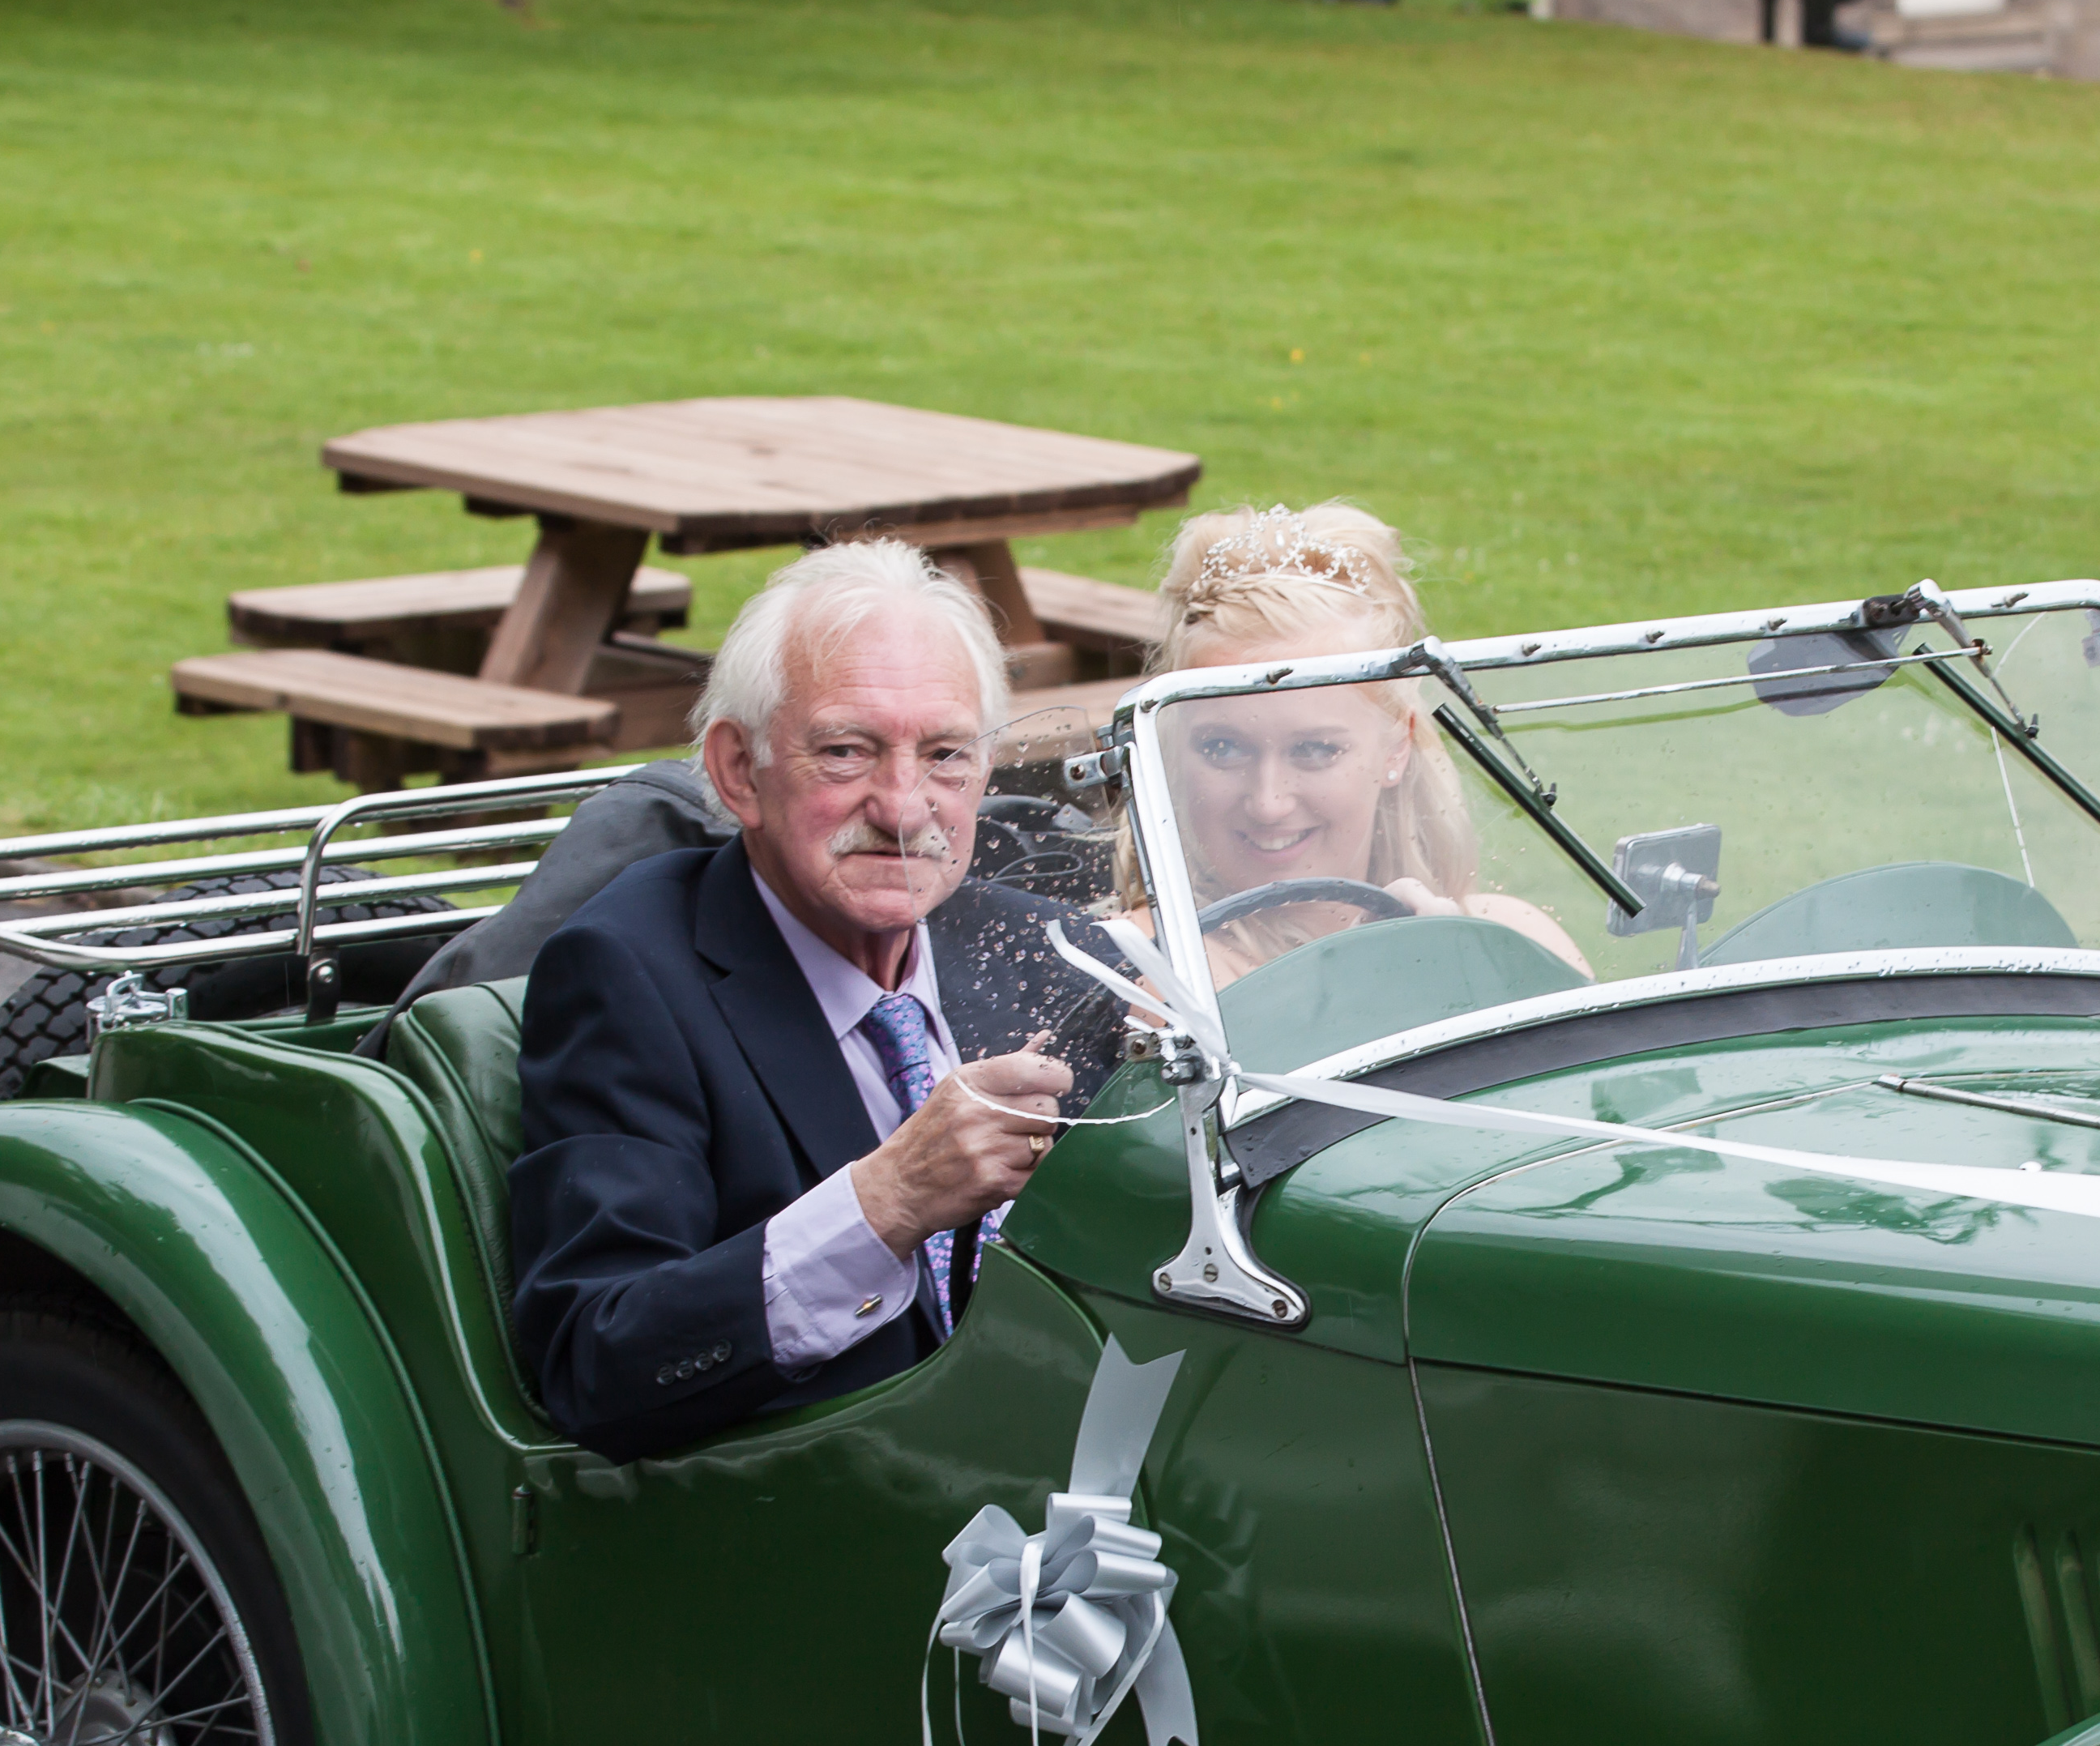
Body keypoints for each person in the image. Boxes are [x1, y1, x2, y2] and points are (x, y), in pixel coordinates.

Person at [510, 539, 1122, 1462]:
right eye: (846, 752)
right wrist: (888, 1200)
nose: (905, 808)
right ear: (738, 770)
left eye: (946, 755)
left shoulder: (1050, 951)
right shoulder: (628, 975)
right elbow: (597, 1362)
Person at [1109, 502, 1591, 988]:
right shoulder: (1156, 963)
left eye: (1316, 750)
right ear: (1171, 749)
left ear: (1397, 747)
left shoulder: (1518, 936)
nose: (1269, 803)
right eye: (1223, 748)